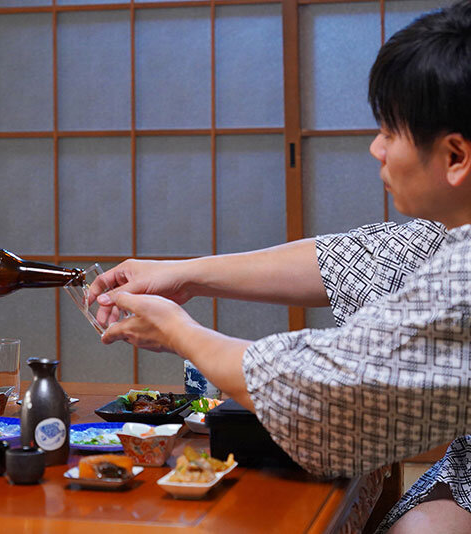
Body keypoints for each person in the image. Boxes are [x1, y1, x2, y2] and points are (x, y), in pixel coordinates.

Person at [89, 2, 471, 532]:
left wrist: (179, 332)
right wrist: (186, 273)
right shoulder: (447, 233)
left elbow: (327, 391)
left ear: (455, 157)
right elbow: (356, 260)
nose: (376, 148)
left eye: (390, 131)